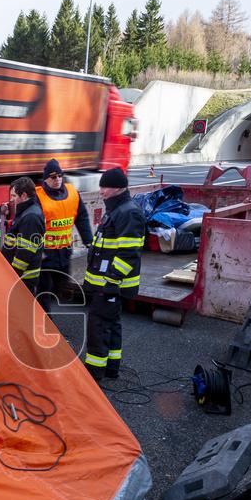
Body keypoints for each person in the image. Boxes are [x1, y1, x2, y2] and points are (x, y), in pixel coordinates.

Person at [81, 167, 145, 381]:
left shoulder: (127, 212)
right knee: (111, 324)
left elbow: (129, 254)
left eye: (104, 187)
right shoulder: (118, 209)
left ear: (117, 188)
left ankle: (95, 371)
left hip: (110, 284)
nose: (101, 191)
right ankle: (110, 367)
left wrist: (111, 280)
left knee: (98, 325)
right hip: (106, 283)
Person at [35, 158, 93, 312]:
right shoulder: (38, 196)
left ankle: (54, 323)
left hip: (64, 253)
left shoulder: (73, 193)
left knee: (63, 291)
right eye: (53, 177)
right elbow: (31, 223)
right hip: (45, 256)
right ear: (45, 179)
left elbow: (82, 217)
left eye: (60, 176)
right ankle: (45, 324)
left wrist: (88, 241)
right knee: (43, 293)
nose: (57, 180)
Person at [0, 177, 45, 293]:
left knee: (21, 310)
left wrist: (13, 276)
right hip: (21, 278)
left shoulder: (31, 217)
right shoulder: (27, 211)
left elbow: (24, 254)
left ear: (24, 196)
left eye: (14, 196)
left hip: (23, 279)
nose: (11, 199)